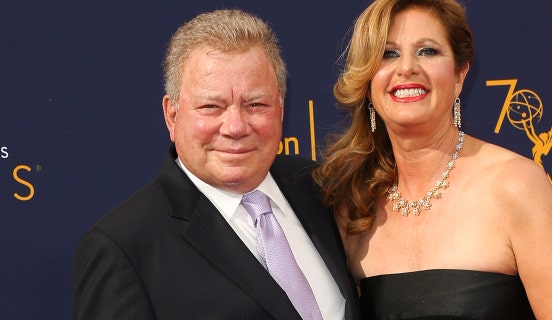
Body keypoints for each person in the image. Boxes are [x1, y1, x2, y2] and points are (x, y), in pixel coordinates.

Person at [313, 0, 552, 319]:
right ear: (367, 81)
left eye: (428, 51)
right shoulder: (353, 209)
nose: (406, 67)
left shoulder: (515, 185)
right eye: (388, 53)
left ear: (460, 73)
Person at [72, 9, 359, 320]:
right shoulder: (124, 248)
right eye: (211, 106)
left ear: (280, 107)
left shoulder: (320, 189)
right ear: (172, 115)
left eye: (255, 104)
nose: (235, 127)